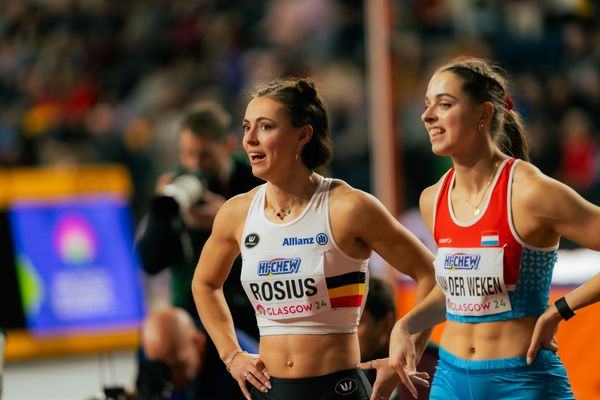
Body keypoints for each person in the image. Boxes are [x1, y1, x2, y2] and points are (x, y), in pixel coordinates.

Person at [191, 77, 436, 400]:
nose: (249, 139)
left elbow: (432, 275)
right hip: (269, 390)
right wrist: (231, 354)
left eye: (265, 127)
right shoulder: (237, 213)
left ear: (303, 135)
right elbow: (205, 284)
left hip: (337, 390)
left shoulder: (348, 207)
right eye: (246, 127)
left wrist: (408, 352)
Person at [387, 55, 600, 399]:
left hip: (522, 380)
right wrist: (407, 323)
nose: (428, 116)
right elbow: (457, 291)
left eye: (444, 104)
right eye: (427, 105)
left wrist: (561, 310)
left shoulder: (530, 192)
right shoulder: (434, 199)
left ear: (483, 114)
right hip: (451, 379)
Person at [136, 100, 263, 338]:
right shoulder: (175, 189)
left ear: (228, 146)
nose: (194, 165)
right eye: (188, 154)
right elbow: (150, 263)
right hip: (192, 314)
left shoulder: (256, 179)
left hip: (252, 308)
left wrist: (232, 219)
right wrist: (161, 216)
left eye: (205, 156)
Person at [136, 307, 258, 400]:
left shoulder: (241, 365)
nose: (169, 379)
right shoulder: (150, 355)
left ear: (198, 342)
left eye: (177, 366)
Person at [358, 276, 438, 400]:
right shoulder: (366, 367)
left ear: (386, 323)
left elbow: (429, 275)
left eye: (358, 323)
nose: (350, 334)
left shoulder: (424, 364)